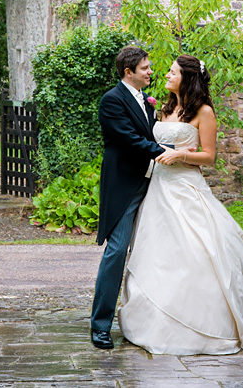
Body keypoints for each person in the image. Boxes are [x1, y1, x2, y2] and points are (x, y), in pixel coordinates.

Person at [118, 54, 243, 355]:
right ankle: (152, 317)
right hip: (158, 188)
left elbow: (209, 157)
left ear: (188, 77)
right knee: (157, 253)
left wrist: (181, 155)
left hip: (185, 187)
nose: (166, 75)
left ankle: (202, 321)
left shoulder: (204, 112)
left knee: (196, 249)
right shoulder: (165, 107)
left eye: (172, 72)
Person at [90, 45, 181, 349]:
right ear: (128, 72)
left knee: (156, 249)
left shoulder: (147, 101)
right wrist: (165, 152)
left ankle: (156, 316)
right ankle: (100, 326)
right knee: (117, 251)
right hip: (124, 185)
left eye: (150, 67)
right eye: (145, 68)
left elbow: (152, 131)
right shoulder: (111, 100)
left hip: (153, 183)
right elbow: (129, 139)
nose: (150, 71)